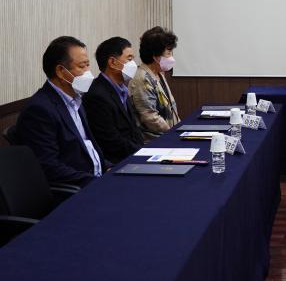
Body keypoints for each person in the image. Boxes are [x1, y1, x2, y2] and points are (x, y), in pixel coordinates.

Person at [16, 36, 109, 186]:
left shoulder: (76, 99)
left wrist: (110, 169)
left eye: (88, 65)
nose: (88, 73)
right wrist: (98, 182)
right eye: (82, 66)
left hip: (97, 178)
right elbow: (49, 167)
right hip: (77, 189)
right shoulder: (39, 110)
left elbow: (88, 147)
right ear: (60, 71)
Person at [82, 37, 144, 164]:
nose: (133, 64)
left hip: (133, 154)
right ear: (112, 62)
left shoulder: (122, 88)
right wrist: (142, 153)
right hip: (117, 162)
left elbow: (133, 128)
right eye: (129, 59)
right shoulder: (97, 95)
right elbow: (110, 141)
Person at [130, 27, 180, 140]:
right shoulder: (142, 79)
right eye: (168, 53)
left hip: (168, 135)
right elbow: (150, 117)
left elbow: (171, 107)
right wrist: (173, 133)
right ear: (155, 56)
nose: (171, 57)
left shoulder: (159, 73)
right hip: (154, 141)